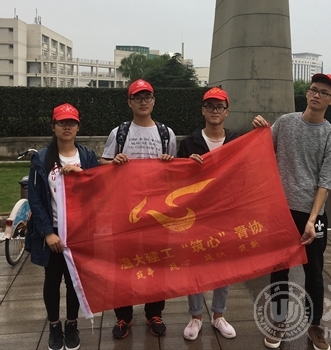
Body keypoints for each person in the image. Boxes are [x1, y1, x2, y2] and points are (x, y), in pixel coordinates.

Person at [252, 73, 331, 350]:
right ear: (307, 93)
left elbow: (325, 183)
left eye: (323, 92)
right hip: (281, 211)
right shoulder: (285, 123)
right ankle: (279, 321)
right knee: (280, 270)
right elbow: (263, 150)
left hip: (311, 215)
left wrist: (312, 220)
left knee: (314, 272)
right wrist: (259, 131)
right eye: (313, 89)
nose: (316, 95)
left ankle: (314, 325)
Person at [101, 79, 177, 339]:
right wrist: (114, 162)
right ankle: (123, 315)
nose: (143, 102)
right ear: (129, 102)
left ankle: (154, 313)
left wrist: (168, 163)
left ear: (154, 101)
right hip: (124, 210)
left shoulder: (166, 133)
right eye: (138, 98)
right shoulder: (119, 133)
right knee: (123, 264)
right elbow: (103, 164)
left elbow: (175, 171)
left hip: (157, 211)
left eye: (147, 97)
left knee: (157, 261)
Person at [28, 103, 99, 350]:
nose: (67, 127)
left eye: (71, 123)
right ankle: (54, 325)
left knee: (74, 281)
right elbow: (36, 199)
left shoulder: (87, 157)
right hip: (54, 231)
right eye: (62, 123)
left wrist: (81, 175)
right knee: (52, 279)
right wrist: (48, 232)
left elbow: (98, 189)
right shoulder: (41, 159)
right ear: (53, 127)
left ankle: (71, 324)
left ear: (78, 127)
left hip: (78, 231)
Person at [177, 87, 238, 341]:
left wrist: (262, 128)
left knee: (223, 265)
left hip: (225, 213)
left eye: (219, 107)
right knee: (196, 265)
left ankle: (219, 315)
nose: (215, 111)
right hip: (196, 214)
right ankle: (195, 316)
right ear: (203, 110)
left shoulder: (236, 141)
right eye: (210, 106)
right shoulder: (189, 142)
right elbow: (175, 181)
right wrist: (186, 166)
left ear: (226, 111)